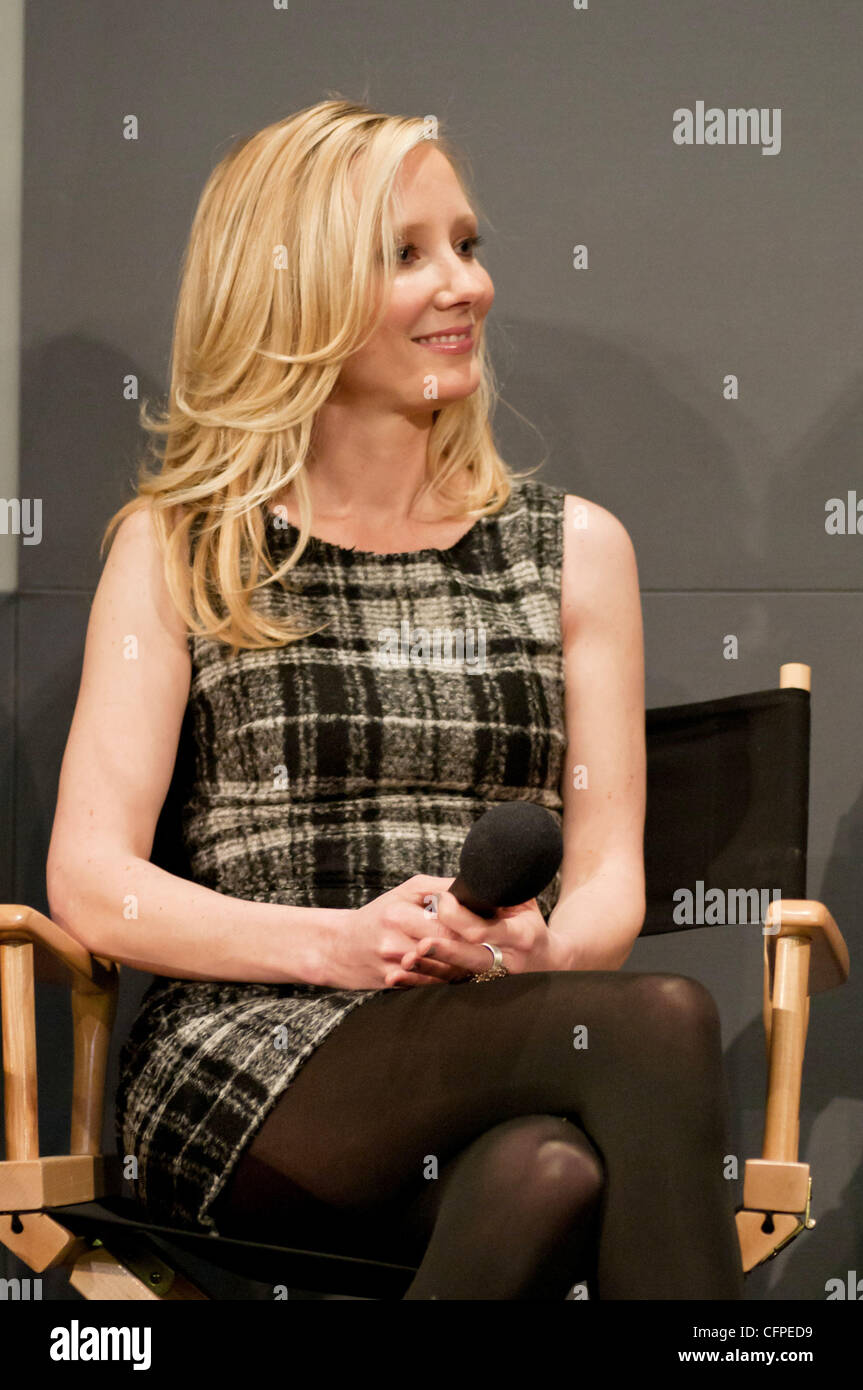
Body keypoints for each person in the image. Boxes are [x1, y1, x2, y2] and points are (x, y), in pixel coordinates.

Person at [46, 98, 745, 1300]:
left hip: (489, 1039)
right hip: (252, 1060)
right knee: (662, 1020)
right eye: (405, 254)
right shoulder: (184, 547)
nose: (462, 286)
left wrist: (541, 950)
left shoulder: (574, 550)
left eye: (465, 245)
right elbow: (90, 881)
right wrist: (341, 944)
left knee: (546, 1173)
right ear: (292, 293)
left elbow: (607, 871)